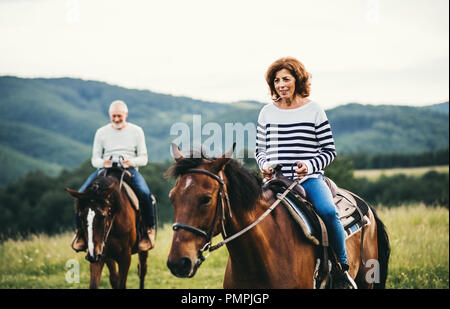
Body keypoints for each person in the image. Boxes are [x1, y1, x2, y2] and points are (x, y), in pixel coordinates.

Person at [255, 57, 357, 289]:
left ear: (297, 80)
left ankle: (341, 270)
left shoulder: (314, 109)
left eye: (286, 79)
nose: (281, 84)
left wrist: (309, 167)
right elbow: (259, 150)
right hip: (275, 180)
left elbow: (329, 150)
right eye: (276, 80)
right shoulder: (266, 112)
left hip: (308, 179)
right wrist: (264, 166)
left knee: (329, 212)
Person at [72, 100, 156, 252]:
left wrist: (132, 161)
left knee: (145, 194)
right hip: (106, 170)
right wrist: (103, 163)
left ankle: (149, 231)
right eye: (113, 116)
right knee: (81, 194)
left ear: (126, 115)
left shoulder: (137, 131)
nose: (116, 119)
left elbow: (144, 158)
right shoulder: (101, 132)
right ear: (109, 115)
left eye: (119, 116)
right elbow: (94, 159)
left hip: (129, 170)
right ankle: (80, 233)